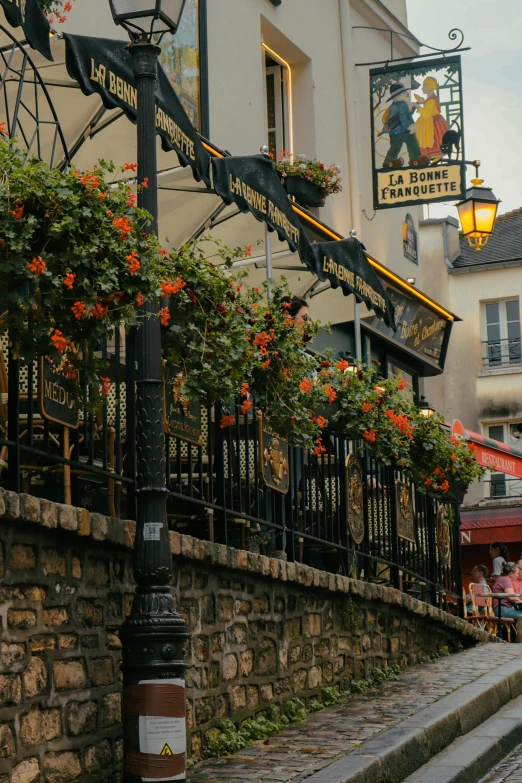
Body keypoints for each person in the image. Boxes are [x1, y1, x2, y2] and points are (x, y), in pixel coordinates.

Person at [382, 82, 430, 169]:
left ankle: (389, 162)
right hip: (403, 130)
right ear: (399, 96)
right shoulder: (402, 104)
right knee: (412, 142)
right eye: (404, 93)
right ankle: (415, 159)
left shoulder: (394, 105)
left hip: (393, 132)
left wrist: (415, 104)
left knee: (395, 147)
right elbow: (404, 117)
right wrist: (410, 126)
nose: (406, 94)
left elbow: (407, 112)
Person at [414, 76, 450, 158]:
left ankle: (433, 157)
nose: (422, 88)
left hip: (432, 124)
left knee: (433, 142)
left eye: (424, 86)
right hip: (433, 121)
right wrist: (423, 102)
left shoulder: (431, 100)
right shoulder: (430, 99)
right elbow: (428, 106)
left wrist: (416, 106)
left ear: (429, 86)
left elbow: (426, 115)